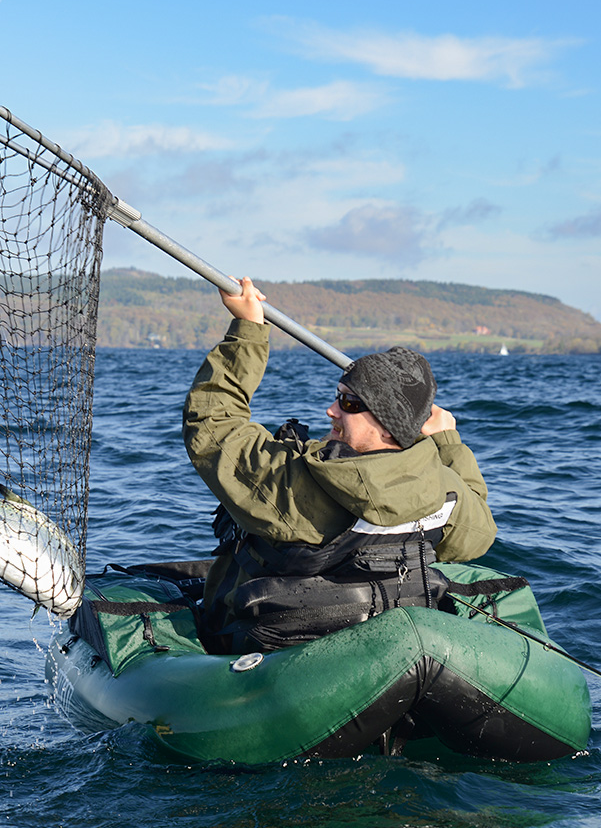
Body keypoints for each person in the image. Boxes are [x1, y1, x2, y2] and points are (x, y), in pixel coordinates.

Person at [183, 277, 497, 654]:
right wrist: (447, 441)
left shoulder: (295, 489)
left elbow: (212, 424)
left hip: (282, 647)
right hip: (389, 639)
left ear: (387, 424)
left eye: (349, 403)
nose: (331, 409)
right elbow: (478, 525)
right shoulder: (442, 488)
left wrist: (248, 330)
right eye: (338, 396)